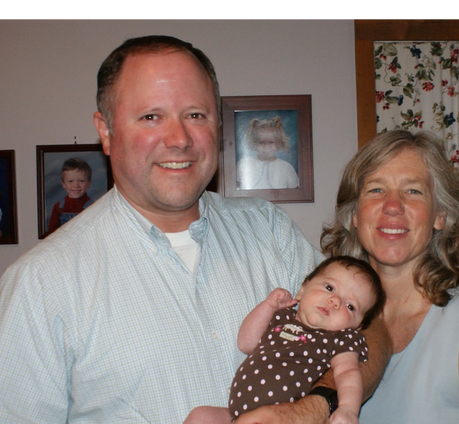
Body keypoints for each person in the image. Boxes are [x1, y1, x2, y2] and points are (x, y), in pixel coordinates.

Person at [0, 35, 390, 423]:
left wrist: (312, 406)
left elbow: (372, 334)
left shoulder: (270, 230)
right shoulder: (39, 285)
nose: (179, 139)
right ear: (105, 130)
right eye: (151, 116)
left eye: (196, 115)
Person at [321, 130, 459, 423]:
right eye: (376, 190)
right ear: (355, 215)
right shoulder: (325, 316)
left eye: (413, 191)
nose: (392, 206)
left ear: (440, 215)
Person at [185, 256, 386, 424]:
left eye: (350, 306)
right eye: (329, 287)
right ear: (303, 289)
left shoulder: (341, 338)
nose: (335, 301)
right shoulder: (281, 316)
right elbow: (246, 343)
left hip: (286, 416)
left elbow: (348, 372)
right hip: (236, 415)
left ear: (358, 326)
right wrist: (268, 306)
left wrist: (348, 409)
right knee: (200, 417)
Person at [237, 117, 299, 190]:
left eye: (271, 142)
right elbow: (237, 189)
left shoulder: (286, 167)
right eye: (261, 142)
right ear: (254, 143)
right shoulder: (244, 163)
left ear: (278, 143)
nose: (266, 147)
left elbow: (295, 191)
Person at [47, 157, 94, 234]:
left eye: (81, 181)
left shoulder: (92, 207)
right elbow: (52, 235)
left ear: (88, 183)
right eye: (70, 181)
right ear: (63, 184)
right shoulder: (58, 207)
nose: (76, 185)